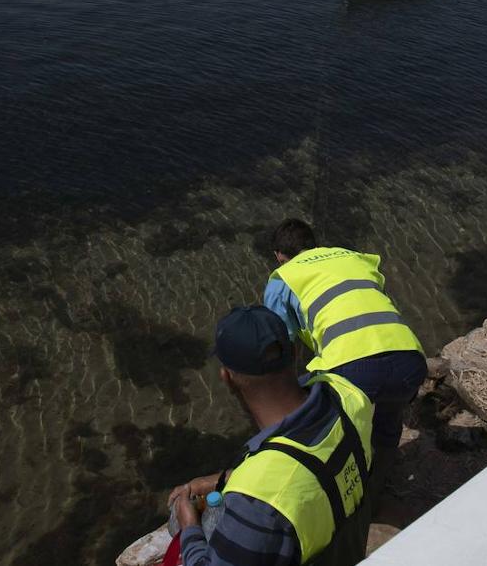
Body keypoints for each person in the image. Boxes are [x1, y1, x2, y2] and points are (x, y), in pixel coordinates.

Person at [168, 305, 375, 566]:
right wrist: (222, 479)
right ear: (295, 352)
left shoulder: (257, 504)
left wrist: (189, 527)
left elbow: (279, 483)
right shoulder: (349, 396)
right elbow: (312, 466)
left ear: (227, 377)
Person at [262, 219, 426, 459]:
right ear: (314, 245)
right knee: (388, 418)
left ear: (278, 256)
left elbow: (279, 345)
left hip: (353, 369)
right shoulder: (354, 257)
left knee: (307, 413)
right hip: (410, 360)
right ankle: (385, 465)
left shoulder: (282, 278)